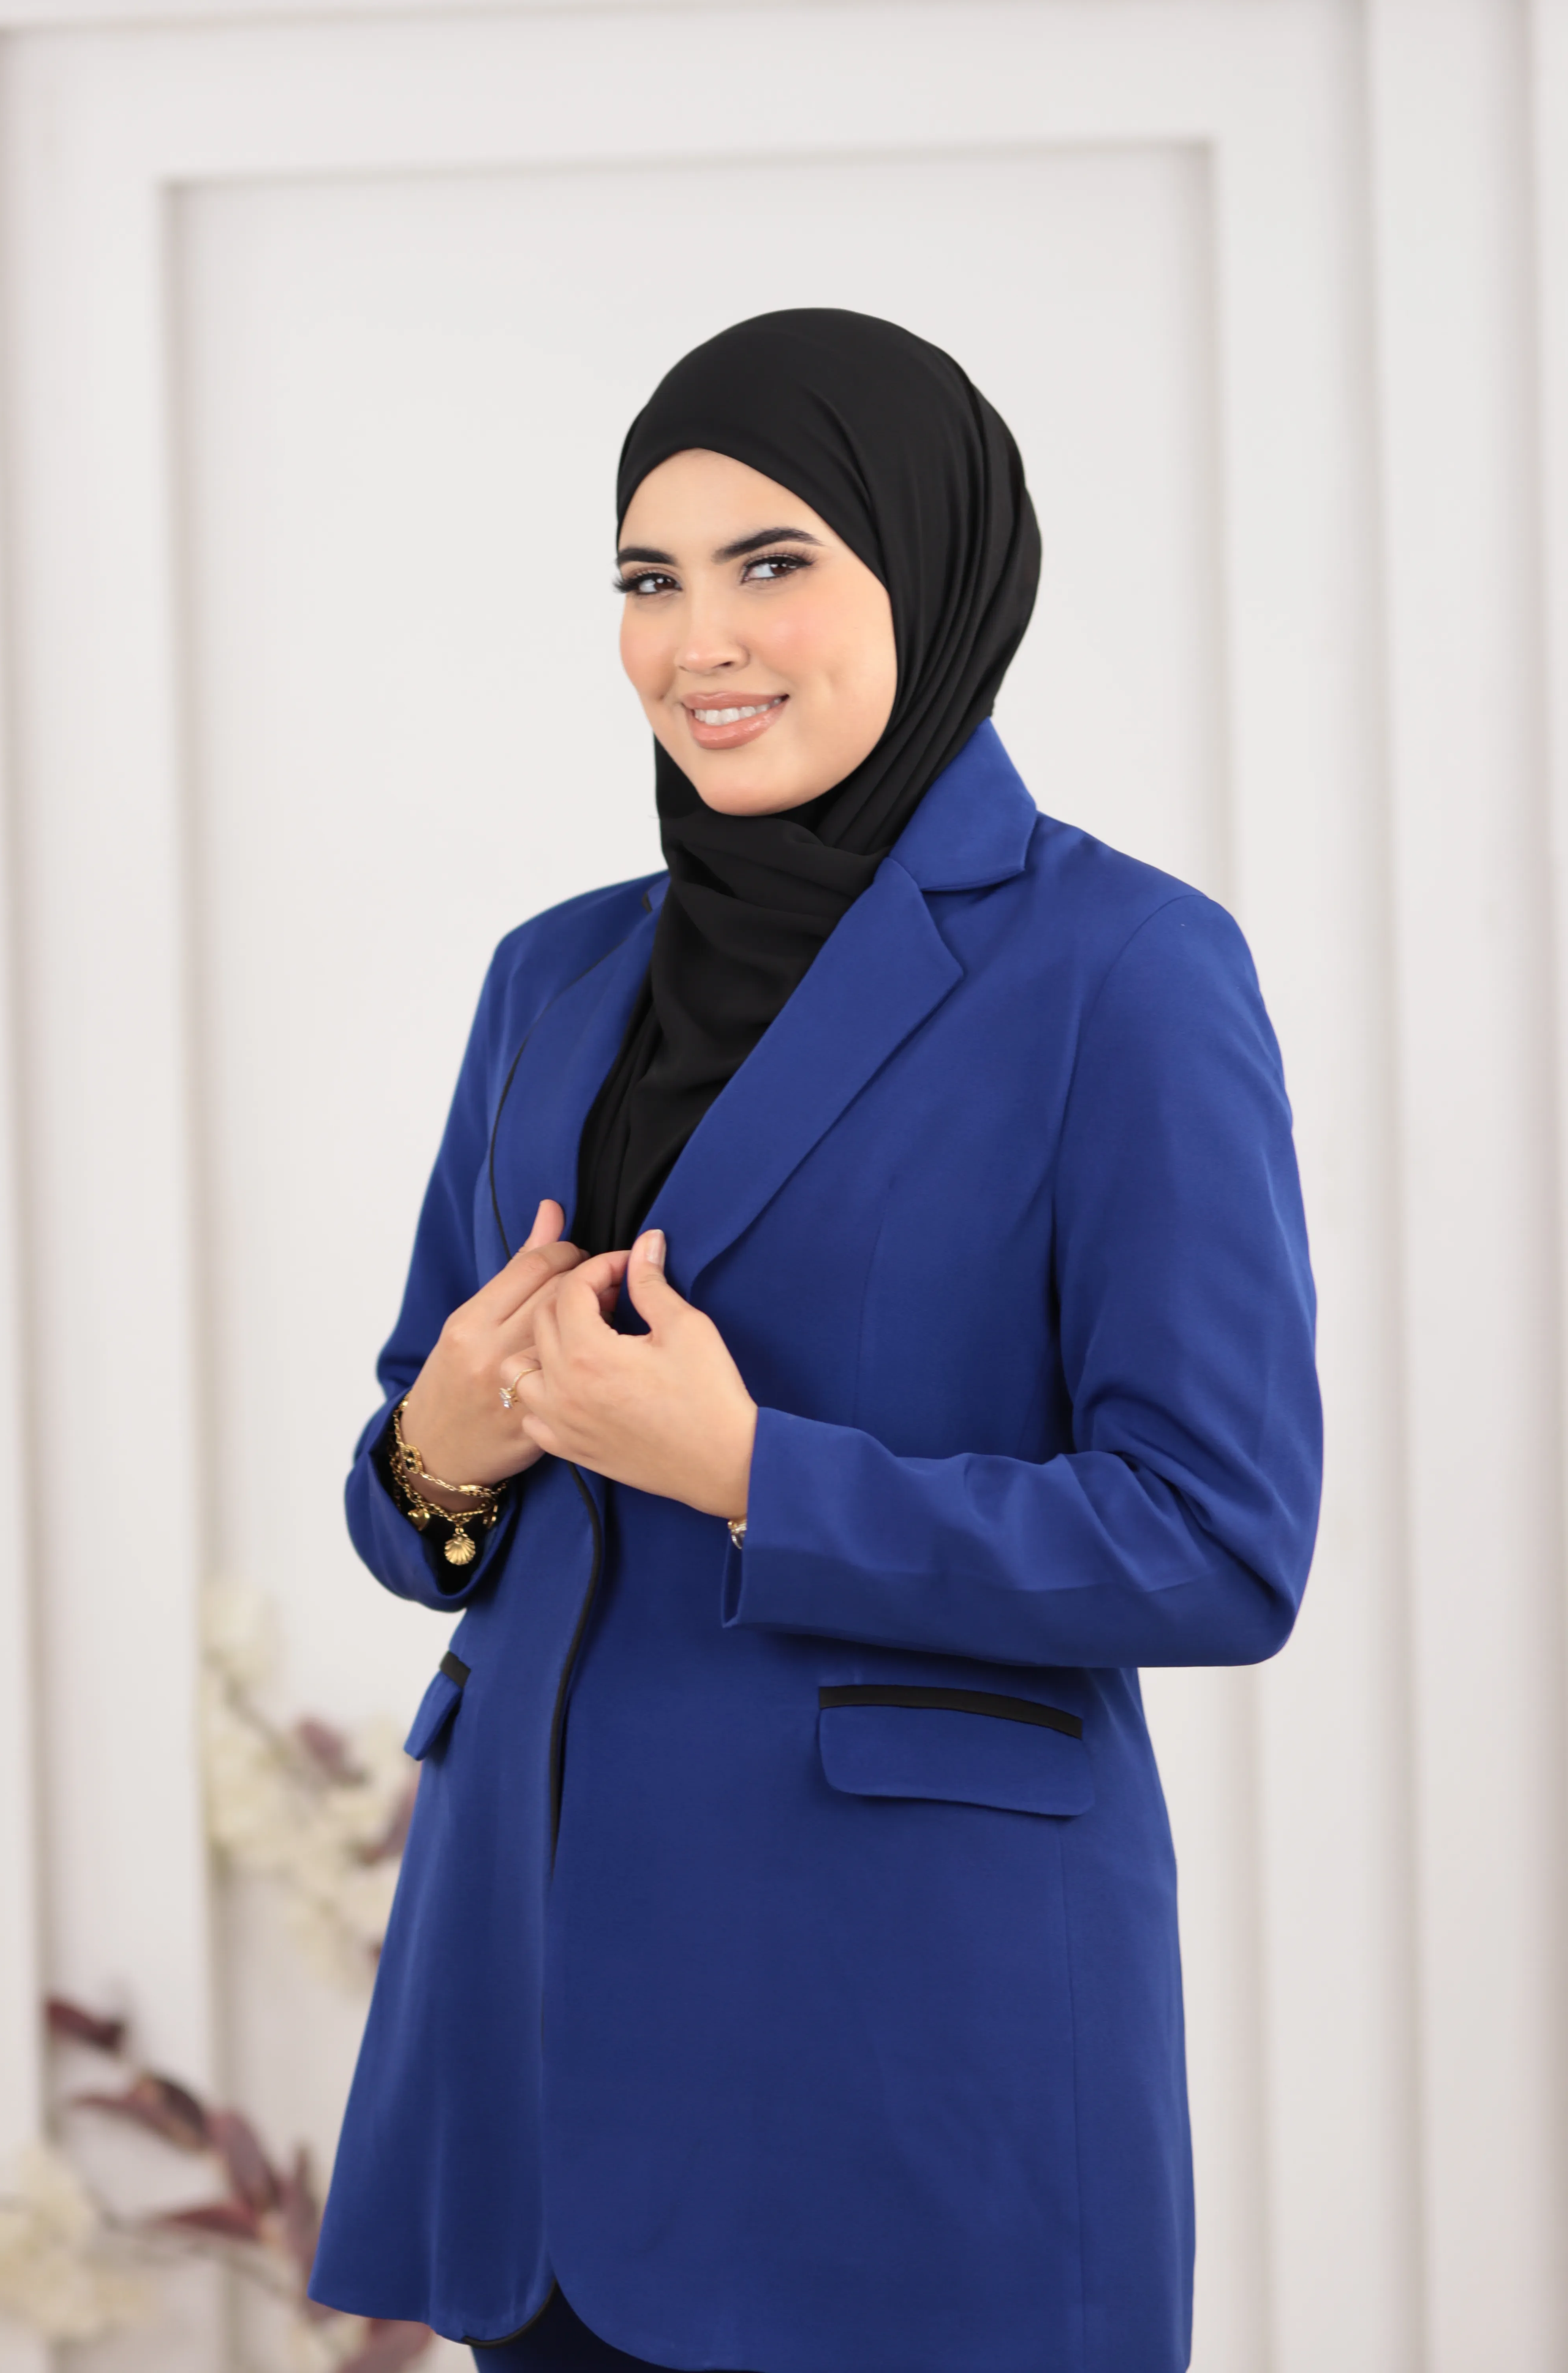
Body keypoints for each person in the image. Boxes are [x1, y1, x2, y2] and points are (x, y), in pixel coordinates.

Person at [308, 310, 1322, 2373]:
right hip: (535, 2041)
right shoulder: (553, 980)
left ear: (930, 572)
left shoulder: (1123, 969)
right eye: (648, 578)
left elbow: (1222, 1544)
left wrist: (754, 1476)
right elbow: (420, 1486)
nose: (699, 641)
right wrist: (441, 1448)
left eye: (772, 563)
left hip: (902, 2059)